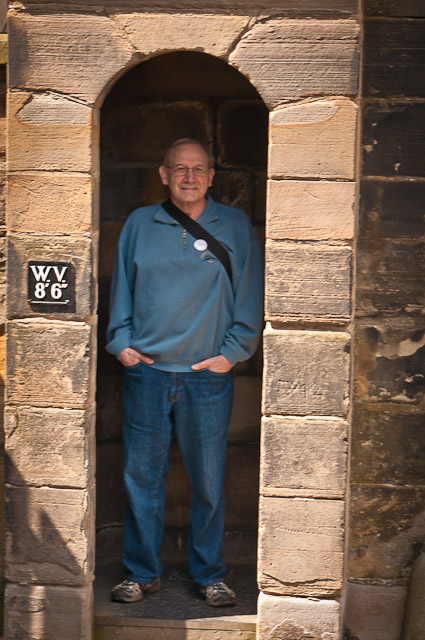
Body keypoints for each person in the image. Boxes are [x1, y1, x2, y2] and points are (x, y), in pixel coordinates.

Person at [106, 138, 263, 607]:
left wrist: (233, 352)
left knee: (210, 481)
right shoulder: (139, 224)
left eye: (198, 169)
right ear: (163, 174)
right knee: (141, 478)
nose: (189, 177)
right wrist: (121, 344)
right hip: (147, 374)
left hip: (206, 377)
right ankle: (140, 573)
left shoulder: (233, 225)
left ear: (212, 176)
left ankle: (210, 574)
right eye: (180, 169)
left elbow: (250, 295)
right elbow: (121, 288)